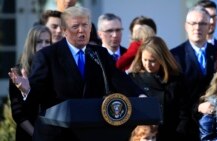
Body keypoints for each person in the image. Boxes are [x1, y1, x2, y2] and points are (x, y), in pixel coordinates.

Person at [8, 6, 145, 141]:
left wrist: (140, 95)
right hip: (58, 135)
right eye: (75, 27)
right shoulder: (47, 56)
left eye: (85, 25)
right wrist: (28, 90)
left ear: (91, 29)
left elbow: (120, 79)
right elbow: (36, 98)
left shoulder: (99, 54)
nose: (81, 31)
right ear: (64, 31)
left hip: (91, 132)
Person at [170, 6, 217, 141]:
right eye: (193, 23)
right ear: (186, 26)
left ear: (209, 27)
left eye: (202, 23)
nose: (197, 27)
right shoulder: (174, 56)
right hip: (186, 127)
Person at [128, 36, 186, 141]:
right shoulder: (134, 79)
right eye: (145, 60)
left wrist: (179, 134)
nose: (148, 64)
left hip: (171, 135)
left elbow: (183, 113)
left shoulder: (176, 80)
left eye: (152, 60)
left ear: (162, 59)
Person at [9, 25, 52, 141]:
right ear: (31, 45)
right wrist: (36, 136)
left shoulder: (55, 69)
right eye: (39, 42)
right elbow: (18, 113)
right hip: (28, 135)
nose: (44, 45)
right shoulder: (18, 71)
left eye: (47, 41)